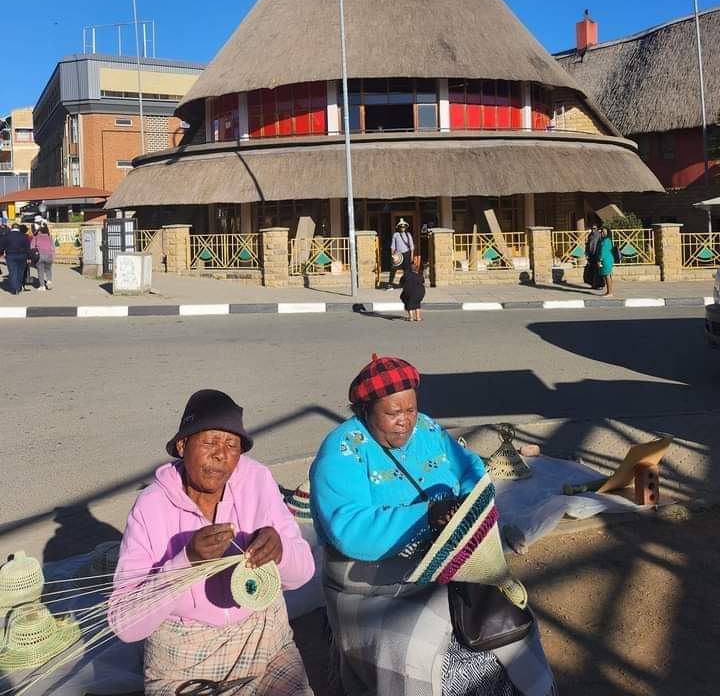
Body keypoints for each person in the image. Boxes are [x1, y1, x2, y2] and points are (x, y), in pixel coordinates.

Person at [310, 355, 556, 696]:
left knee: (508, 616)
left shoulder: (426, 428)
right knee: (416, 645)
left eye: (409, 410)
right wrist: (426, 515)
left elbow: (471, 469)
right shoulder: (342, 449)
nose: (404, 422)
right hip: (368, 579)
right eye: (393, 413)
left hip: (445, 558)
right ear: (364, 410)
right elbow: (347, 528)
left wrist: (468, 505)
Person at [109, 389, 315, 696]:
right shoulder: (151, 507)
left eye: (232, 445)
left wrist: (281, 551)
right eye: (210, 442)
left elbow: (304, 573)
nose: (221, 454)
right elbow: (126, 624)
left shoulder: (257, 480)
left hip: (266, 646)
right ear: (182, 445)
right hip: (185, 665)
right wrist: (186, 561)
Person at [0, 223, 31, 295]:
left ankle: (15, 289)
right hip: (22, 256)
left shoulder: (7, 236)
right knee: (20, 272)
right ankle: (19, 286)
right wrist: (29, 257)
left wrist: (1, 253)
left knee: (13, 272)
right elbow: (27, 248)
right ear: (18, 228)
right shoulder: (24, 236)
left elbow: (1, 246)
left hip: (11, 255)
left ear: (11, 228)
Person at [388, 218, 414, 288]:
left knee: (407, 270)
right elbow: (393, 246)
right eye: (401, 226)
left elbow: (411, 247)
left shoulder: (408, 234)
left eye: (404, 226)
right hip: (398, 255)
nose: (402, 227)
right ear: (399, 227)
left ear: (405, 227)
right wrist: (392, 255)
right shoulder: (396, 235)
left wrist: (411, 256)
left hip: (406, 253)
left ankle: (407, 284)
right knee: (393, 269)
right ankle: (390, 283)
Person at [400, 254, 426, 322]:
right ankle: (418, 317)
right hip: (420, 292)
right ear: (416, 268)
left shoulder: (406, 275)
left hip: (409, 292)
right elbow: (423, 282)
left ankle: (411, 317)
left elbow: (401, 282)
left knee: (407, 299)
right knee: (416, 301)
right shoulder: (419, 275)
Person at [31, 224, 54, 290]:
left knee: (40, 271)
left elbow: (32, 246)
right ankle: (49, 280)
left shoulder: (36, 236)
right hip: (49, 255)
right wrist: (53, 255)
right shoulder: (50, 237)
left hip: (40, 256)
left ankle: (42, 286)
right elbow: (53, 247)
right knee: (48, 269)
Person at [597, 226, 616, 296]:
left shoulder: (606, 240)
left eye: (604, 232)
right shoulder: (605, 240)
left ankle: (609, 292)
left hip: (606, 259)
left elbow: (603, 251)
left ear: (607, 233)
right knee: (608, 275)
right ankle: (609, 291)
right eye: (601, 231)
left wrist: (599, 260)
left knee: (607, 275)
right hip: (607, 258)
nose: (602, 233)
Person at [584, 223, 601, 289]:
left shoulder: (599, 235)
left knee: (597, 270)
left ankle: (599, 284)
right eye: (592, 228)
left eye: (594, 228)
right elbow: (587, 245)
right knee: (591, 270)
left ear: (597, 229)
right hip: (591, 255)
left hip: (597, 255)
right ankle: (593, 284)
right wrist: (586, 253)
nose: (593, 230)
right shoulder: (590, 235)